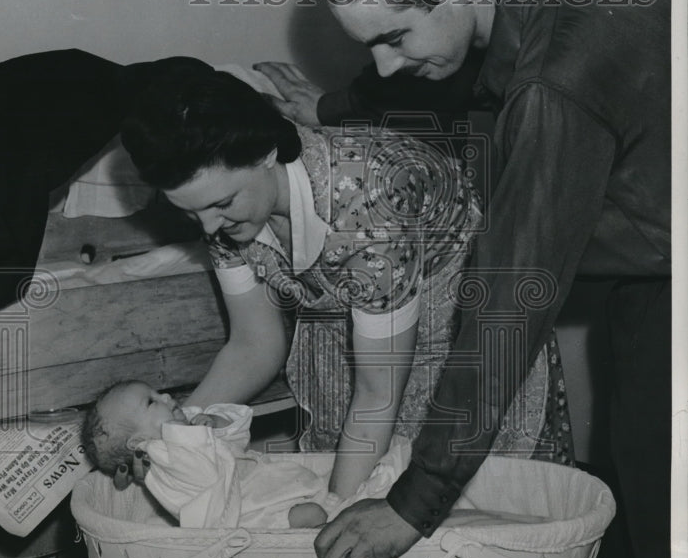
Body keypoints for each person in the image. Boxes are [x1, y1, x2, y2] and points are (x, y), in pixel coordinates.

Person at [259, 0, 669, 558]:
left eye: (394, 37)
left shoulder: (553, 89)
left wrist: (413, 504)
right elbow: (447, 72)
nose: (384, 62)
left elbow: (505, 311)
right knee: (638, 508)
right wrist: (333, 108)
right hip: (647, 253)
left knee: (664, 536)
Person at [116, 58, 573, 527]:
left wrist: (336, 513)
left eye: (222, 204)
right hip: (358, 337)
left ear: (266, 153)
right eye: (193, 216)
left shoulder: (368, 203)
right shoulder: (222, 214)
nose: (210, 228)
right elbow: (255, 343)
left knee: (450, 522)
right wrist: (169, 433)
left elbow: (377, 397)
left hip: (457, 340)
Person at [83, 379, 328, 529]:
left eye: (158, 392)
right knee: (306, 515)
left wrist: (215, 422)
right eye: (151, 402)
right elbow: (204, 477)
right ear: (140, 442)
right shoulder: (163, 459)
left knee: (314, 492)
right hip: (239, 516)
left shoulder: (188, 433)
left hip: (259, 487)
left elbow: (238, 438)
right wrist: (185, 434)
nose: (166, 396)